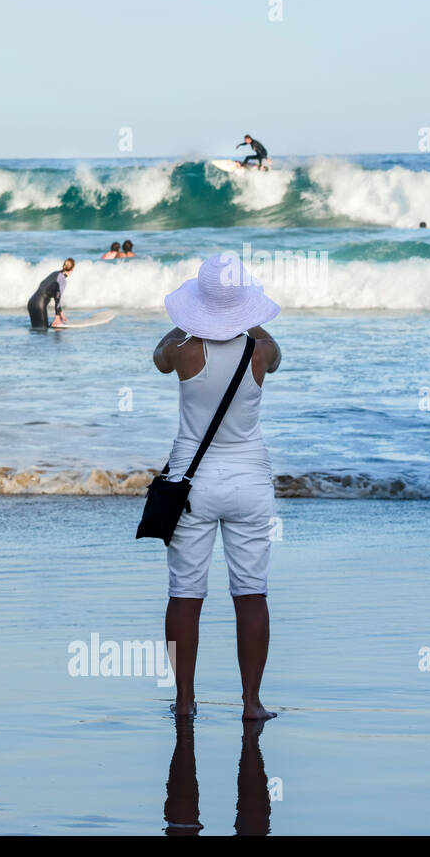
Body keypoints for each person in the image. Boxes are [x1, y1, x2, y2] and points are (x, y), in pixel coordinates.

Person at [152, 253, 282, 721]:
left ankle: (186, 701)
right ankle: (252, 703)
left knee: (185, 594)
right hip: (249, 481)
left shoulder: (183, 351)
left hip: (192, 483)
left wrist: (183, 322)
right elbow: (277, 352)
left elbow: (158, 358)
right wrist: (252, 321)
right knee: (251, 593)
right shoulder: (260, 353)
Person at [27, 258, 74, 329]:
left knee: (36, 332)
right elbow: (57, 298)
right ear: (72, 269)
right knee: (43, 332)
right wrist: (57, 318)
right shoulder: (62, 280)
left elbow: (55, 296)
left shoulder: (55, 273)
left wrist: (60, 313)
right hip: (39, 305)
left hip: (31, 302)